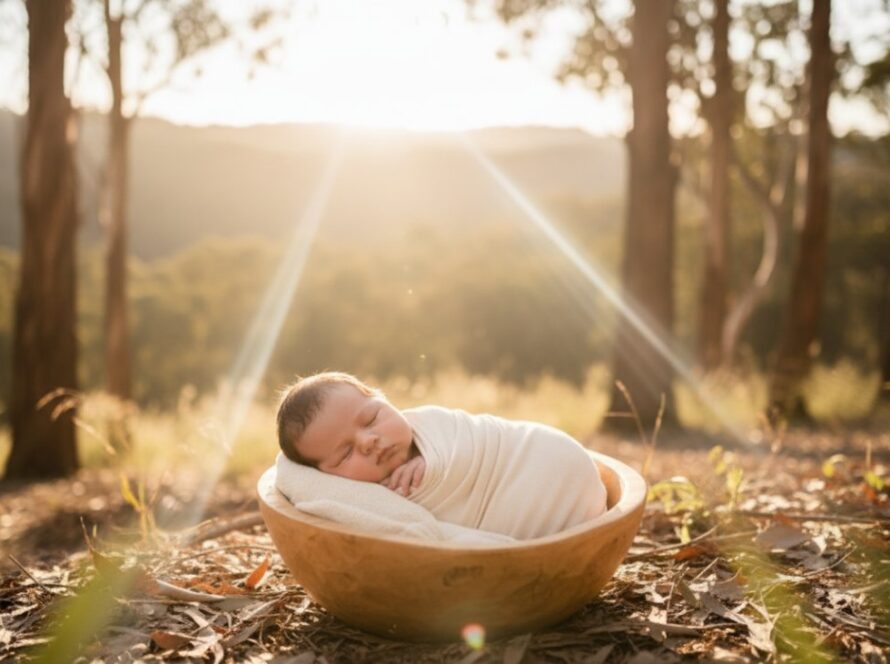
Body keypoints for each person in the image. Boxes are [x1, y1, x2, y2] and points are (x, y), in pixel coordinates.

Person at [276, 371, 607, 540]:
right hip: (528, 515)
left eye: (372, 418)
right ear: (327, 476)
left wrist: (431, 463)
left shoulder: (435, 425)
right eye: (345, 453)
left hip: (543, 459)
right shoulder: (367, 500)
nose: (369, 441)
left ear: (386, 400)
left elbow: (471, 440)